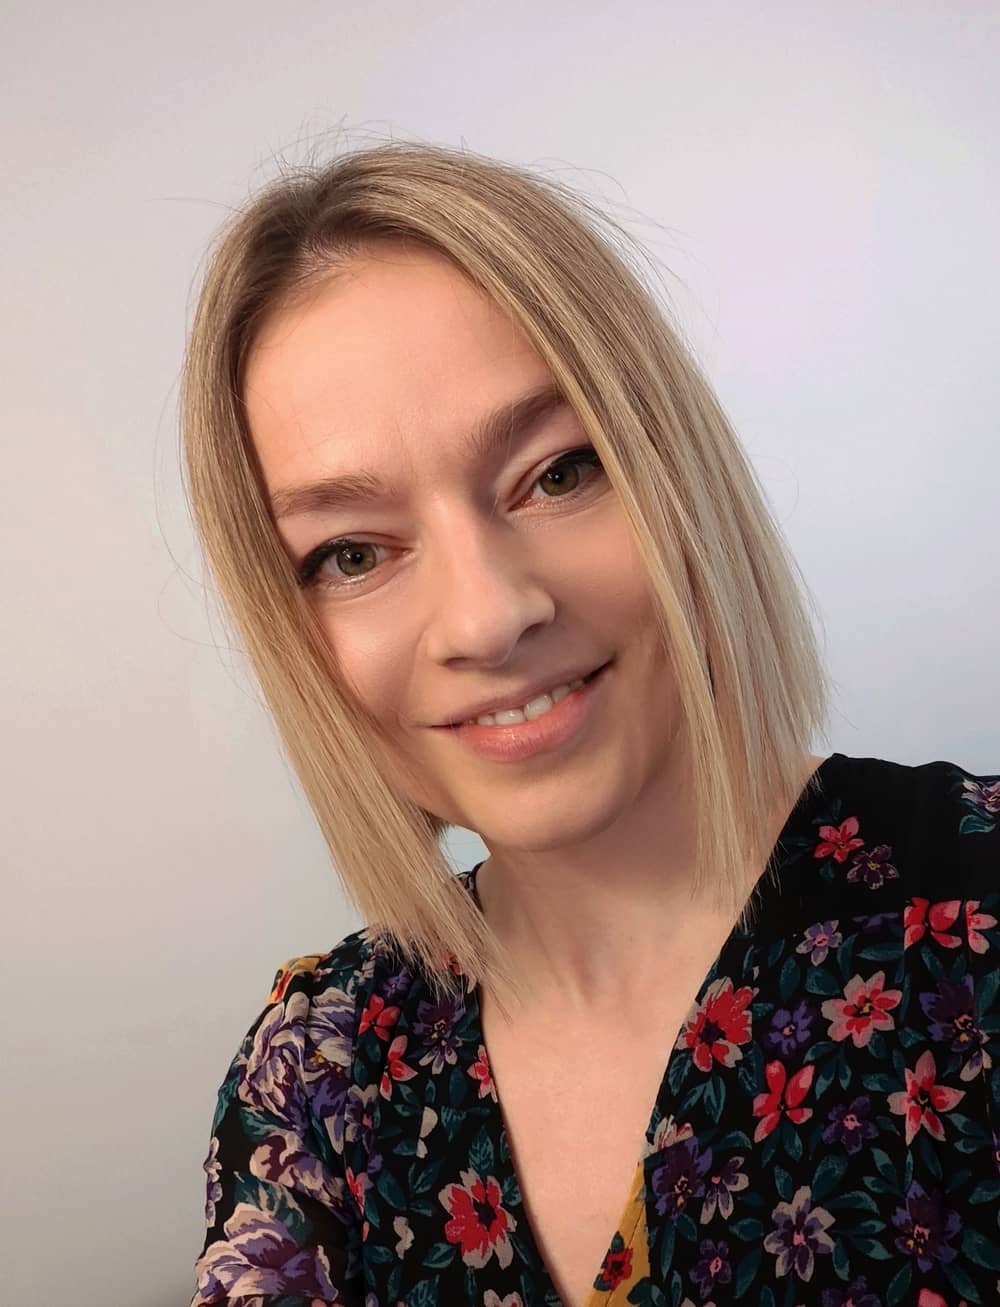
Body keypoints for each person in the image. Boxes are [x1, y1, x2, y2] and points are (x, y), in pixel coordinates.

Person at [181, 141, 1000, 1307]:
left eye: (558, 471)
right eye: (351, 551)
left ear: (676, 469)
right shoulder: (317, 1070)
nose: (487, 614)